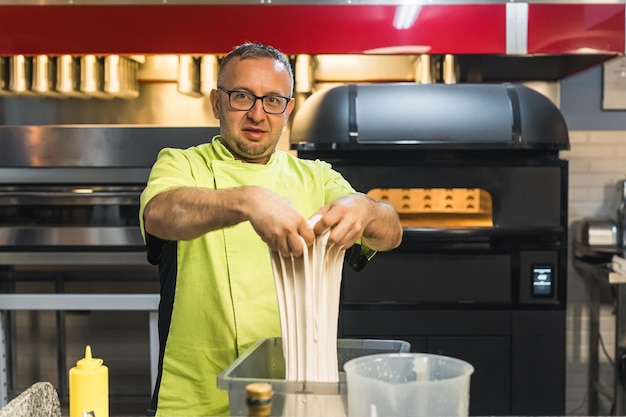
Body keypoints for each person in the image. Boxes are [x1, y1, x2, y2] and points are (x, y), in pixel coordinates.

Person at [139, 42, 403, 417]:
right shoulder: (182, 165)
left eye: (273, 100)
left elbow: (391, 232)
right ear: (217, 102)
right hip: (194, 398)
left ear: (288, 110)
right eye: (242, 97)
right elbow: (160, 214)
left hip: (292, 397)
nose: (257, 114)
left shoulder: (317, 177)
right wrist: (247, 201)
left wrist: (365, 208)